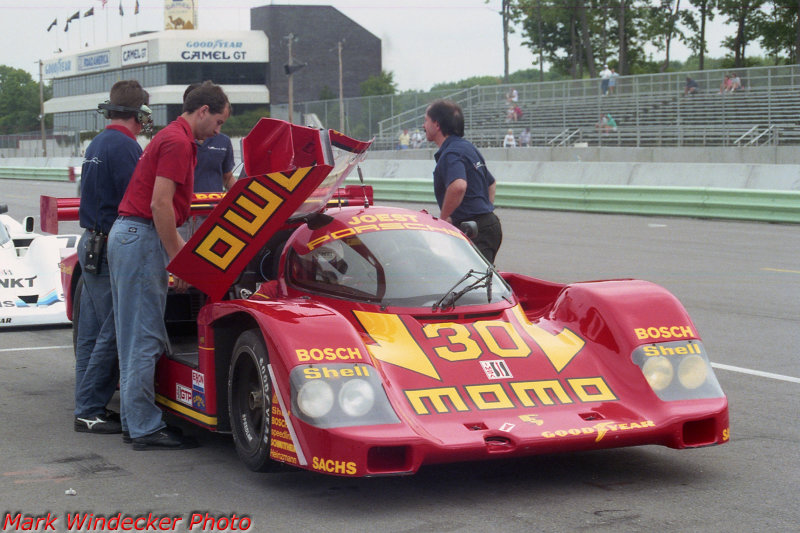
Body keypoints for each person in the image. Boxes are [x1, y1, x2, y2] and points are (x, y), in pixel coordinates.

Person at [107, 80, 230, 450]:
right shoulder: (178, 142)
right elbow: (161, 205)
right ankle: (145, 428)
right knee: (144, 337)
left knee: (133, 336)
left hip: (131, 235)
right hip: (142, 235)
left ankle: (135, 421)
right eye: (219, 122)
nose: (218, 132)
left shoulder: (171, 136)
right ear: (203, 111)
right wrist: (179, 257)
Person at [73, 80, 151, 435]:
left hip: (90, 242)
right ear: (140, 115)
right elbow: (139, 200)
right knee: (116, 330)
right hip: (108, 247)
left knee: (91, 332)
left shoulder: (98, 143)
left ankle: (87, 406)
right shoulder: (126, 148)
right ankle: (89, 408)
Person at [423, 99, 502, 263]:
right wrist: (484, 211)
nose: (423, 125)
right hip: (488, 225)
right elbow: (491, 184)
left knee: (472, 284)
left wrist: (443, 220)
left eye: (426, 120)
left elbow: (458, 186)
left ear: (436, 125)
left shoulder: (451, 153)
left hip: (475, 229)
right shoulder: (467, 148)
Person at [179, 83, 236, 239]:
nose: (217, 129)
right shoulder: (177, 141)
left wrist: (244, 199)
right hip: (182, 218)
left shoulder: (223, 141)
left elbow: (227, 176)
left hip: (212, 215)